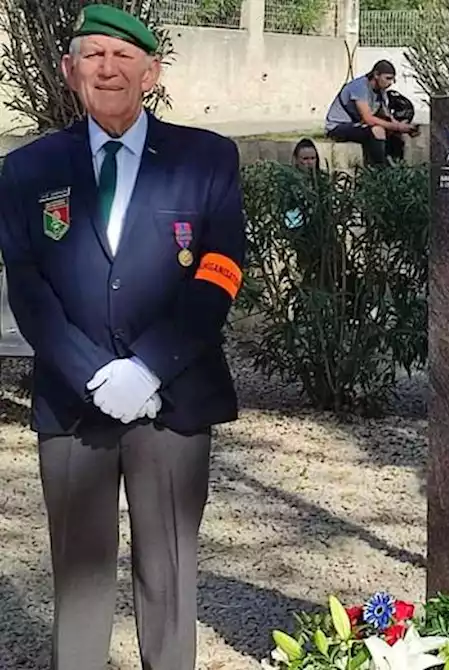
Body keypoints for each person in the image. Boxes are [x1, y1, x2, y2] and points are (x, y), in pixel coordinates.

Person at [0, 5, 244, 669]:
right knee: (78, 576)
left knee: (168, 573)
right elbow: (28, 288)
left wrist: (149, 367)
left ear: (151, 71)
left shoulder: (207, 159)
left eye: (124, 55)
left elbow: (221, 271)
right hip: (72, 403)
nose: (109, 68)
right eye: (94, 54)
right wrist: (93, 374)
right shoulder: (24, 171)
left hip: (174, 400)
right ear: (69, 69)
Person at [324, 60, 418, 166]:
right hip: (338, 127)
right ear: (376, 75)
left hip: (358, 125)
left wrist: (404, 127)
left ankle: (396, 169)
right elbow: (368, 119)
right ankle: (378, 171)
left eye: (393, 79)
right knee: (377, 130)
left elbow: (387, 116)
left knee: (393, 132)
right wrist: (397, 127)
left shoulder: (381, 91)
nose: (391, 83)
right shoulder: (359, 87)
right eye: (388, 78)